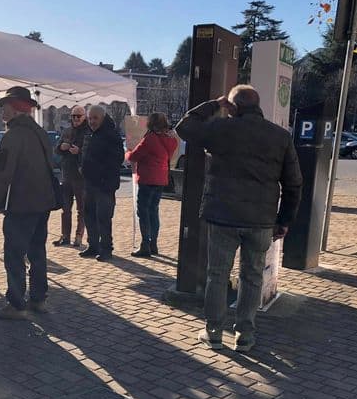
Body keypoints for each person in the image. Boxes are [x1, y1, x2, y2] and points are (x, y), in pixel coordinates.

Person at [176, 84, 302, 352]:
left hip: (223, 216)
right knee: (252, 276)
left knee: (217, 275)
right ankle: (245, 334)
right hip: (260, 220)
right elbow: (293, 184)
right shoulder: (280, 136)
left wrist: (214, 104)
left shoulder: (222, 130)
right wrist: (284, 220)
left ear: (233, 106)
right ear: (257, 105)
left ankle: (213, 332)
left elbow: (184, 127)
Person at [0, 86, 59, 320]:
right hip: (42, 203)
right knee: (37, 252)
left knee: (14, 255)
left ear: (16, 107)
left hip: (21, 205)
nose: (2, 110)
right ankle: (39, 299)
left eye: (5, 106)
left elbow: (3, 174)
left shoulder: (13, 136)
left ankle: (17, 304)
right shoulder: (39, 132)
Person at [126, 112, 178, 257]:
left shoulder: (150, 139)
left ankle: (145, 245)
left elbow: (134, 156)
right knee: (153, 212)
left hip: (147, 179)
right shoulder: (171, 140)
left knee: (143, 212)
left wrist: (127, 152)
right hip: (161, 179)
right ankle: (153, 243)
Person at [79, 105, 124, 262]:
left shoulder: (111, 135)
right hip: (90, 184)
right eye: (90, 118)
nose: (92, 121)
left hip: (105, 185)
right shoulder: (91, 134)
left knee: (103, 218)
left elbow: (116, 160)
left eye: (95, 118)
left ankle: (106, 248)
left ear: (103, 118)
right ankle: (93, 245)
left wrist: (105, 178)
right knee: (89, 216)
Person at [52, 105, 89, 248]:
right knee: (65, 207)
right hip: (66, 174)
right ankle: (65, 236)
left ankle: (78, 236)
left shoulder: (88, 132)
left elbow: (90, 152)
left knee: (81, 208)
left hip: (81, 176)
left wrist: (79, 151)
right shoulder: (67, 131)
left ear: (84, 116)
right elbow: (56, 148)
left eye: (78, 116)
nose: (75, 119)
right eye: (73, 116)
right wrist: (61, 148)